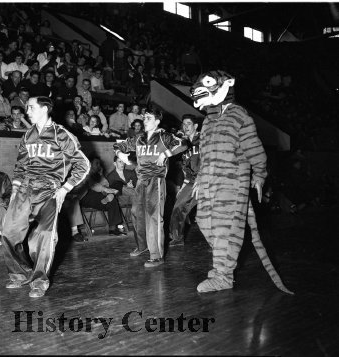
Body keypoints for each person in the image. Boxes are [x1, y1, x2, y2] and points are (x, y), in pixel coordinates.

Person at [189, 70, 292, 294]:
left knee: (224, 230)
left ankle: (223, 275)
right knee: (204, 222)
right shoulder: (207, 121)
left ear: (226, 85)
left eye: (207, 83)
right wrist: (199, 178)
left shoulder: (240, 116)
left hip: (232, 182)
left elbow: (255, 150)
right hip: (207, 180)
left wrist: (259, 176)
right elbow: (204, 154)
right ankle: (222, 263)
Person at [2, 96, 90, 298]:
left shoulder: (62, 135)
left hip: (48, 190)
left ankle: (39, 281)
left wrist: (65, 188)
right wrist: (15, 189)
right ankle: (19, 274)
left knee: (43, 237)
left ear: (44, 109)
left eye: (31, 107)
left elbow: (83, 164)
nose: (27, 112)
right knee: (9, 232)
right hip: (25, 189)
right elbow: (20, 166)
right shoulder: (27, 135)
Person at [113, 108, 187, 267]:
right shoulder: (138, 138)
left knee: (154, 217)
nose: (144, 120)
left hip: (156, 180)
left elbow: (183, 143)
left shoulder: (164, 136)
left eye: (148, 118)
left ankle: (157, 255)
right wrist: (121, 155)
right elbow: (117, 145)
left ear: (157, 121)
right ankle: (143, 246)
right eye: (144, 118)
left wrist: (165, 154)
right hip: (141, 180)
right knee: (136, 214)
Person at [168, 114, 201, 247]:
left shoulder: (204, 139)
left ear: (195, 126)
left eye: (188, 123)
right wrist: (184, 185)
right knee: (178, 207)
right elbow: (185, 168)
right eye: (184, 124)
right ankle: (177, 238)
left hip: (206, 180)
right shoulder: (184, 144)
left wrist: (201, 178)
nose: (185, 126)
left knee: (208, 215)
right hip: (191, 182)